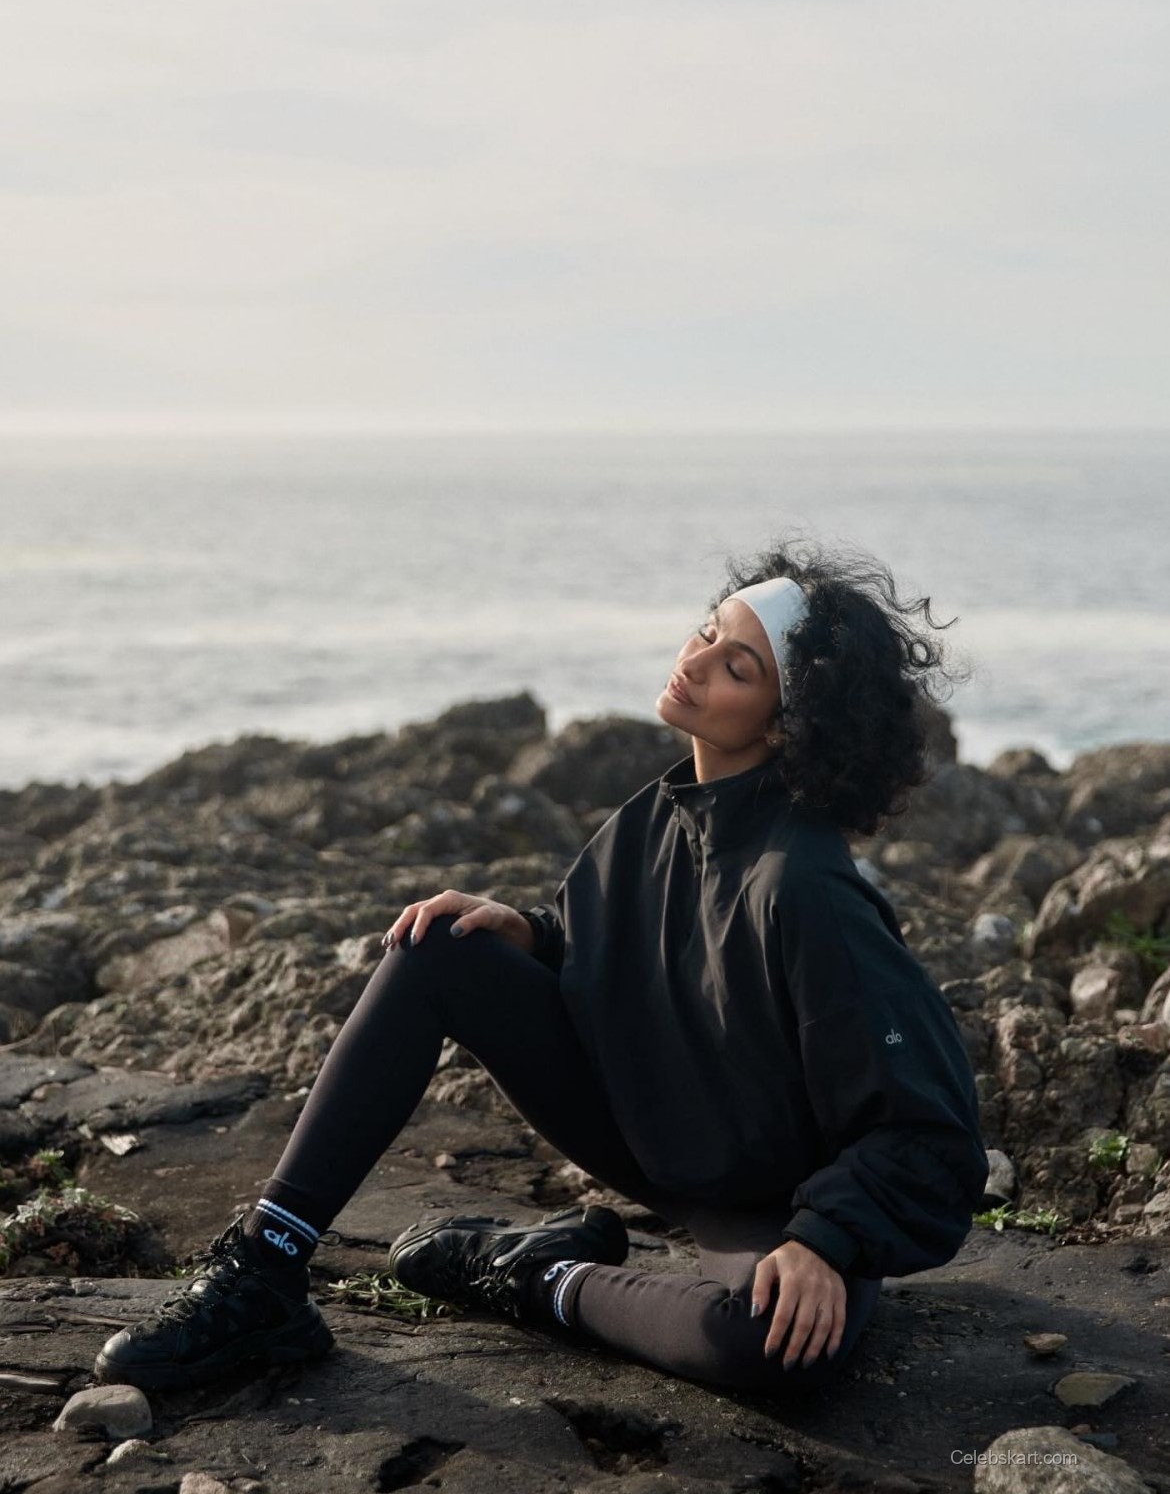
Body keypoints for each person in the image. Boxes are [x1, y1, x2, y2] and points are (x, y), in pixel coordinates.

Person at [94, 536, 989, 1397]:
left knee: (765, 1345)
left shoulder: (808, 888)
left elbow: (931, 1134)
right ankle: (264, 1268)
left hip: (770, 1207)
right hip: (655, 1130)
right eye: (708, 632)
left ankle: (532, 1275)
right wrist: (532, 934)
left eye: (737, 667)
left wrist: (825, 1239)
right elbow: (640, 947)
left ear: (789, 724)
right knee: (437, 947)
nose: (696, 660)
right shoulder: (664, 811)